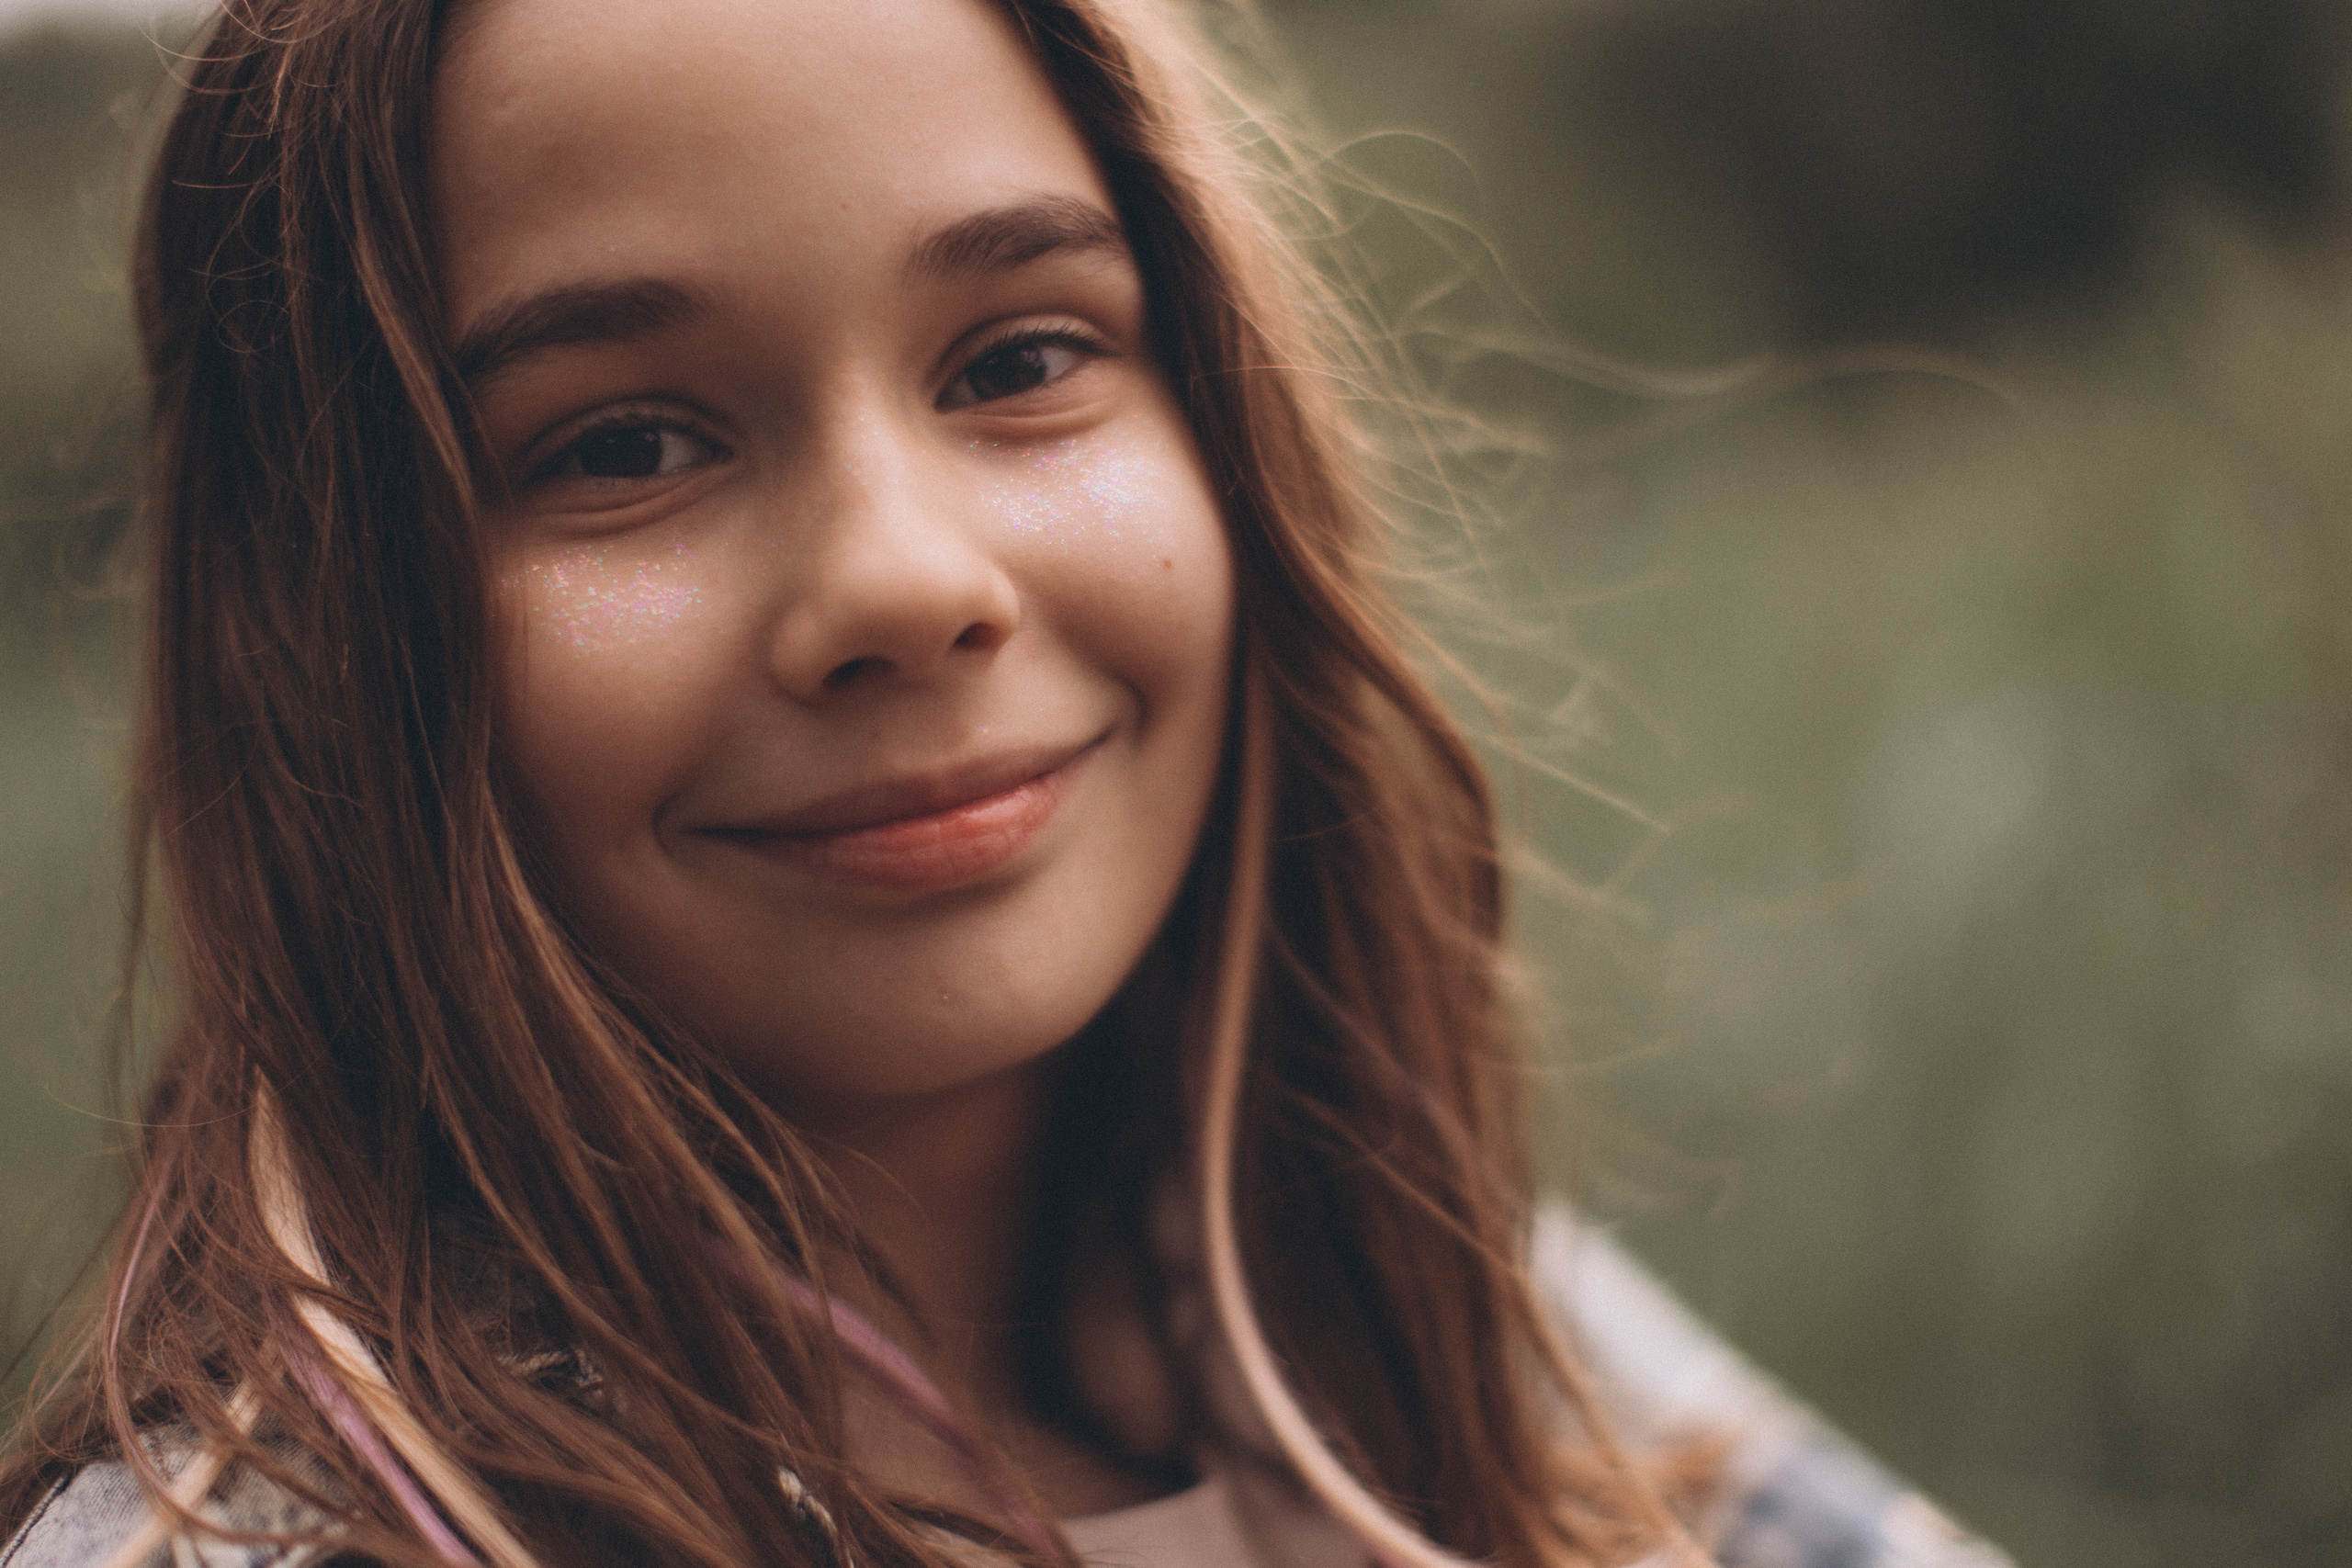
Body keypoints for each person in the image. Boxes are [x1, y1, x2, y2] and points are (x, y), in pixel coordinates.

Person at [0, 2, 2015, 1566]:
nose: (900, 578)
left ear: (1223, 420)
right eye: (620, 442)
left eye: (1014, 358)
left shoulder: (1458, 1326)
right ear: (317, 630)